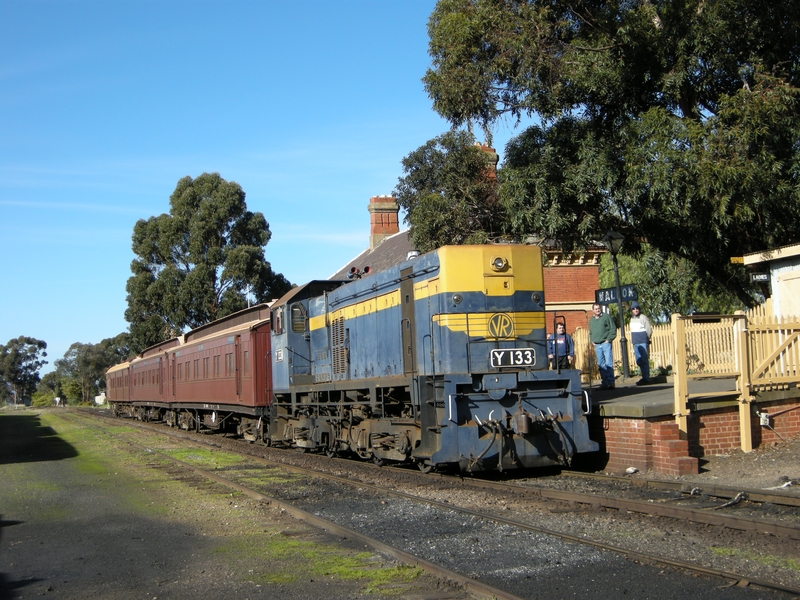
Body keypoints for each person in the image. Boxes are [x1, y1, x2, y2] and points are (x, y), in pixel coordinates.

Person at [589, 302, 617, 389]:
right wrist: (592, 340)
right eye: (596, 309)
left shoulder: (606, 317)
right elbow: (591, 331)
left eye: (599, 308)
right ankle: (605, 383)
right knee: (601, 364)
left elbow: (612, 329)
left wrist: (608, 340)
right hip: (597, 345)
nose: (597, 310)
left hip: (605, 344)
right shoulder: (592, 320)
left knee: (608, 363)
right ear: (593, 310)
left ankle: (611, 382)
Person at [630, 301, 653, 385]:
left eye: (637, 308)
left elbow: (649, 330)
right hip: (635, 342)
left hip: (643, 341)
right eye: (634, 309)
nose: (635, 310)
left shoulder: (643, 318)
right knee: (638, 361)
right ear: (632, 310)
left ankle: (646, 378)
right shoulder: (632, 319)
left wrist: (647, 338)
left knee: (644, 360)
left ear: (639, 309)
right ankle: (643, 376)